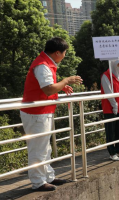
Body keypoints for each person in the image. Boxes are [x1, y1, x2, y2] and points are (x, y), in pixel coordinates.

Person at [20, 37, 83, 191]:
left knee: (45, 147)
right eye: (64, 53)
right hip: (36, 113)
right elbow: (47, 89)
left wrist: (60, 86)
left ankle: (48, 176)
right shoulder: (42, 65)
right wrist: (66, 81)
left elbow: (48, 87)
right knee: (38, 148)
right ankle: (38, 182)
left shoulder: (45, 63)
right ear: (57, 53)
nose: (64, 56)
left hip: (41, 112)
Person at [101, 57, 119, 161]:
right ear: (113, 64)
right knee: (110, 131)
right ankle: (112, 152)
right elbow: (108, 93)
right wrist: (114, 105)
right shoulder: (106, 75)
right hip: (110, 108)